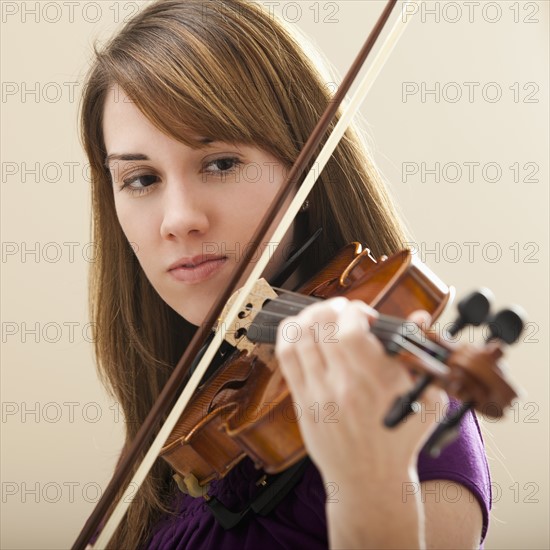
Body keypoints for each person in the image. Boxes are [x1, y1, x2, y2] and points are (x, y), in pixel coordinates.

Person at [80, 0, 490, 548]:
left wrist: (368, 481)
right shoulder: (198, 426)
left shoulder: (418, 427)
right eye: (141, 179)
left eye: (220, 163)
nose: (179, 219)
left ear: (308, 169)